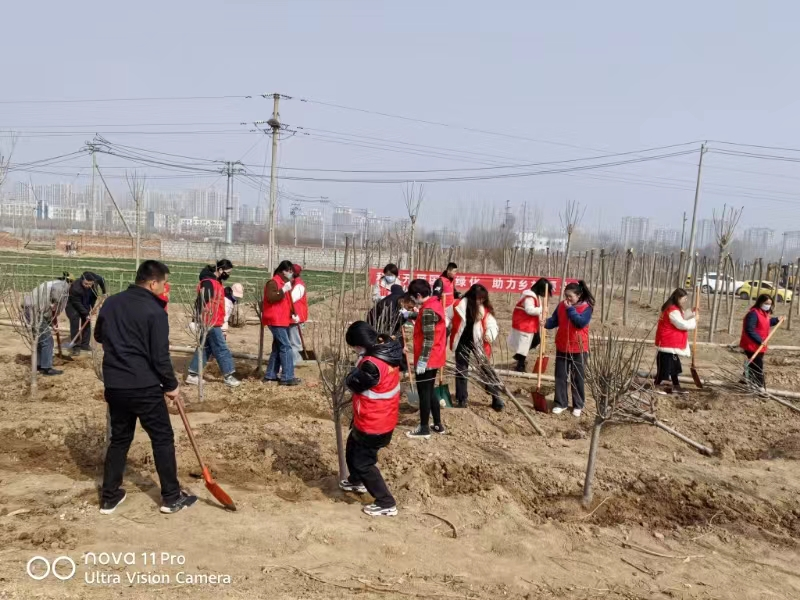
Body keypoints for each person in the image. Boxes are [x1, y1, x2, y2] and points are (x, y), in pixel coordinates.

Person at [94, 260, 197, 515]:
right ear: (153, 283)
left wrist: (121, 342)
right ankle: (171, 497)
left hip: (115, 385)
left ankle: (109, 497)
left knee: (119, 439)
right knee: (162, 438)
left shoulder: (111, 303)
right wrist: (172, 385)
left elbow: (98, 336)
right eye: (163, 283)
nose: (165, 288)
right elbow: (160, 356)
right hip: (144, 386)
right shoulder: (155, 312)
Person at [340, 321, 403, 517]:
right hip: (375, 416)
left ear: (360, 344)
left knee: (364, 463)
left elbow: (354, 384)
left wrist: (351, 374)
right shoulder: (385, 351)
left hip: (375, 422)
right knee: (352, 446)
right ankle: (356, 481)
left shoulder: (372, 364)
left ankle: (386, 502)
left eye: (354, 346)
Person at [186, 260, 241, 388]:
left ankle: (193, 375)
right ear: (220, 270)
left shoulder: (216, 282)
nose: (228, 275)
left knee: (205, 348)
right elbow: (201, 300)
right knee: (221, 348)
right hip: (210, 320)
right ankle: (229, 375)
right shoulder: (208, 282)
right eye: (227, 272)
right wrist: (195, 320)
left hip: (214, 319)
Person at [544, 280, 594, 418]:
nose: (567, 299)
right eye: (566, 295)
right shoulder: (562, 305)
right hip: (562, 346)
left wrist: (570, 309)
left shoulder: (586, 308)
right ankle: (561, 403)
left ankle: (578, 405)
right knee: (560, 376)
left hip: (579, 348)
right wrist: (545, 323)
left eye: (570, 296)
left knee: (577, 378)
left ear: (578, 296)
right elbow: (554, 320)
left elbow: (580, 323)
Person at [448, 284, 502, 410]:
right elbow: (446, 316)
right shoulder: (458, 305)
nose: (480, 301)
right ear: (471, 297)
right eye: (478, 298)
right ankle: (462, 398)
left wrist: (489, 334)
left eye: (483, 299)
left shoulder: (485, 309)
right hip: (461, 341)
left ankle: (496, 397)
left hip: (479, 342)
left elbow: (492, 325)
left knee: (486, 369)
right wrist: (445, 326)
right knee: (461, 370)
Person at [405, 279, 447, 439]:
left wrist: (422, 360)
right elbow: (428, 319)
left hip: (428, 357)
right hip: (435, 355)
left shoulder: (429, 310)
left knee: (423, 393)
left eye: (413, 297)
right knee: (429, 391)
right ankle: (437, 424)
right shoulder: (434, 303)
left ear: (418, 295)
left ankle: (423, 428)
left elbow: (429, 338)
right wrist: (412, 314)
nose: (413, 301)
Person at [262, 260, 301, 386]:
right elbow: (271, 298)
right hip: (275, 319)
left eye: (291, 271)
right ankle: (287, 376)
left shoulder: (284, 283)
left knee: (278, 348)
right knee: (286, 347)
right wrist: (283, 290)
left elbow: (288, 302)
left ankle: (270, 375)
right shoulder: (273, 282)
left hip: (282, 319)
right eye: (289, 271)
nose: (290, 273)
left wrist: (293, 314)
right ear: (282, 270)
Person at [23, 279, 70, 377]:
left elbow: (48, 311)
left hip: (30, 308)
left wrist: (52, 324)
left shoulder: (52, 285)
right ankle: (46, 368)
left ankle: (39, 364)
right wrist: (55, 302)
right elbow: (52, 306)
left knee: (39, 339)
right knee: (47, 341)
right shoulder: (61, 287)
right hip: (34, 310)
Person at [654, 288, 697, 395]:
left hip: (670, 343)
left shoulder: (674, 309)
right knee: (664, 369)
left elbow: (683, 317)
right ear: (678, 298)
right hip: (668, 342)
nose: (685, 301)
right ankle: (659, 386)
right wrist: (695, 320)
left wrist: (692, 313)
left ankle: (676, 386)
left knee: (674, 368)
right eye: (684, 298)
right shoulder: (672, 310)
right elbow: (682, 324)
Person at [507, 278, 554, 373]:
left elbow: (538, 310)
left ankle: (519, 356)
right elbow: (530, 310)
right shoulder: (529, 296)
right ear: (541, 289)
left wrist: (541, 318)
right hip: (524, 324)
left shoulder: (536, 296)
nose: (545, 295)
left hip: (531, 324)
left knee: (535, 341)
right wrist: (541, 310)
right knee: (524, 345)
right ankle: (520, 365)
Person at [740, 294, 783, 391]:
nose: (768, 305)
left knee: (753, 364)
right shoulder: (753, 313)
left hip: (760, 345)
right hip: (751, 344)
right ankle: (760, 388)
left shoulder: (764, 313)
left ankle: (744, 380)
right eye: (766, 303)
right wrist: (759, 340)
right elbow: (749, 329)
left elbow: (766, 323)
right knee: (758, 366)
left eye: (770, 304)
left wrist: (776, 320)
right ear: (760, 302)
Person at [66, 271, 106, 356]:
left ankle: (85, 345)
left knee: (87, 322)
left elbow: (102, 280)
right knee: (75, 320)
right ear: (82, 280)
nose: (88, 286)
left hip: (85, 302)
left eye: (90, 284)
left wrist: (104, 292)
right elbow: (77, 303)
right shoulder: (75, 288)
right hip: (73, 305)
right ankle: (75, 347)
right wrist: (86, 313)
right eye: (86, 284)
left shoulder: (94, 282)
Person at [288, 264, 308, 365]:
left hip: (296, 317)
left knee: (295, 342)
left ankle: (294, 362)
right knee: (293, 340)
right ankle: (295, 359)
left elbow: (290, 300)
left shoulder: (299, 286)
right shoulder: (293, 283)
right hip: (292, 317)